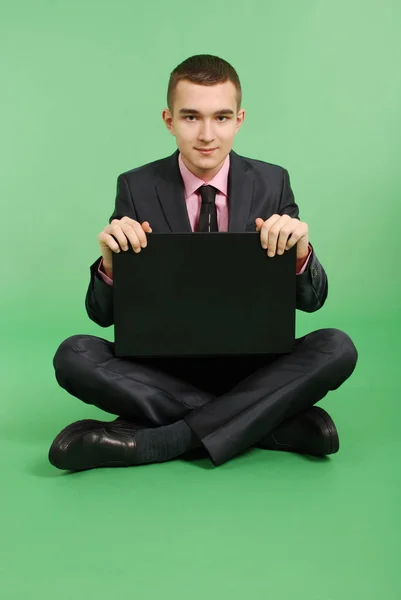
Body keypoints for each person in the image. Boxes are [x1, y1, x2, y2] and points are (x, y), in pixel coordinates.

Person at [49, 54, 358, 472]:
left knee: (336, 346)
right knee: (74, 354)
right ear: (169, 120)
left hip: (254, 367)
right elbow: (101, 316)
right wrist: (110, 265)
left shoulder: (272, 182)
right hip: (162, 371)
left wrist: (302, 254)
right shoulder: (136, 186)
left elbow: (311, 303)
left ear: (240, 119)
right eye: (191, 117)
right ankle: (269, 424)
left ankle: (167, 439)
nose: (207, 135)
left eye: (222, 117)